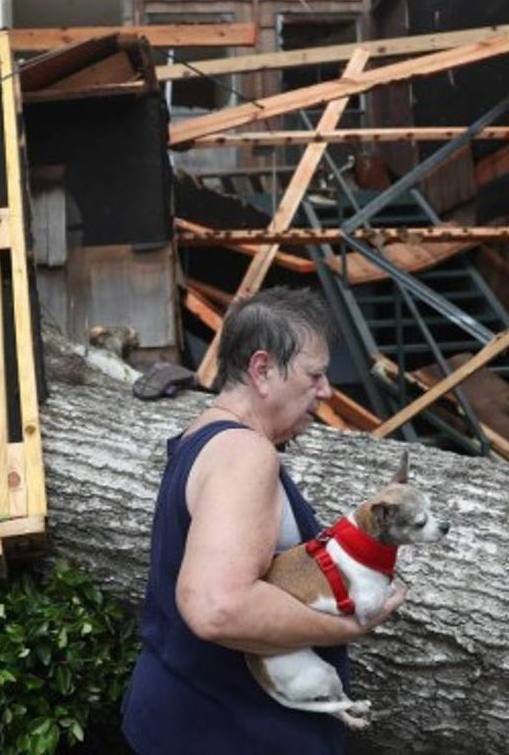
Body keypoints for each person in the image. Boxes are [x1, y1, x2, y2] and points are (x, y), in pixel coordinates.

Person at [121, 287, 407, 754]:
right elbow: (218, 606)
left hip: (189, 720)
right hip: (227, 731)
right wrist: (350, 627)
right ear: (262, 369)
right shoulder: (245, 454)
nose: (326, 391)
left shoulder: (203, 434)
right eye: (314, 375)